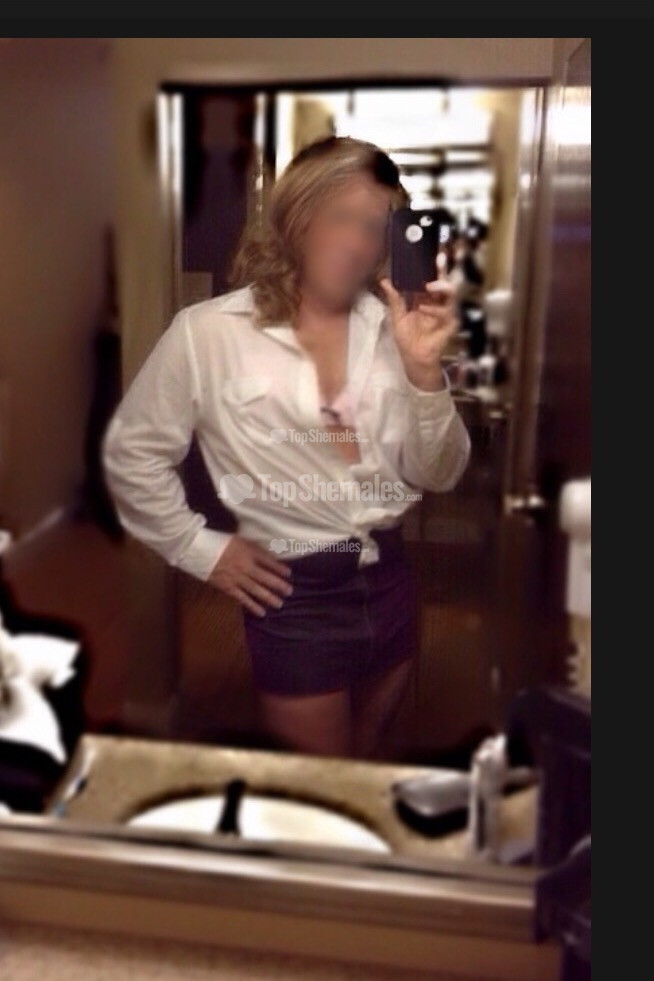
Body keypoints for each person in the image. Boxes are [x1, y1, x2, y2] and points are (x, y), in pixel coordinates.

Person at [102, 135, 471, 759]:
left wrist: (424, 372)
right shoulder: (208, 333)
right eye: (340, 216)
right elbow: (132, 457)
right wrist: (201, 549)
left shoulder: (396, 331)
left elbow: (441, 472)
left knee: (367, 753)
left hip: (391, 576)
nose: (358, 241)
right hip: (295, 591)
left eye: (376, 224)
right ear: (296, 218)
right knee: (318, 777)